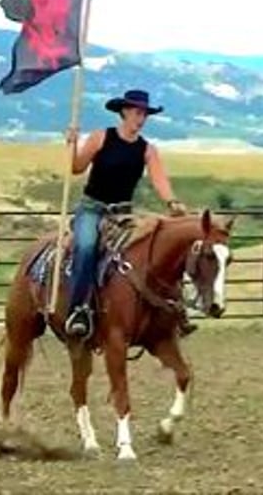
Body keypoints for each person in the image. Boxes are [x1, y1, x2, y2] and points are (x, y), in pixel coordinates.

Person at [63, 89, 194, 339]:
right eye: (137, 112)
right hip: (93, 209)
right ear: (124, 112)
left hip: (124, 214)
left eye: (144, 113)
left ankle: (174, 310)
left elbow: (160, 181)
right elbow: (77, 167)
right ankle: (78, 309)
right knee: (87, 247)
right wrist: (71, 145)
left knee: (155, 250)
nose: (141, 118)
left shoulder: (147, 150)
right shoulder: (101, 138)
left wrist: (172, 202)